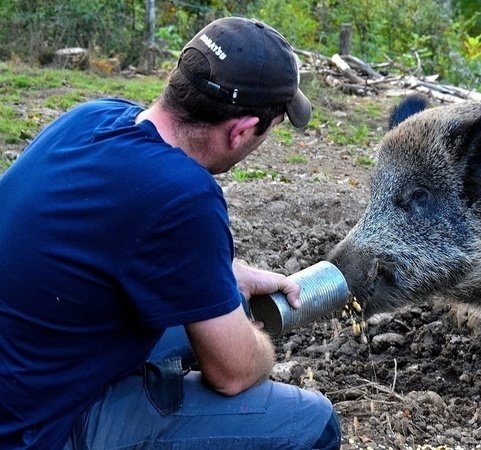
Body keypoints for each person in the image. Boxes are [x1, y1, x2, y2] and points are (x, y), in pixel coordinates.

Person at [0, 17, 340, 449]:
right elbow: (232, 374)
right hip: (32, 429)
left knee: (224, 304)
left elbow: (105, 241)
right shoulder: (184, 195)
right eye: (267, 131)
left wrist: (223, 274)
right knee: (311, 424)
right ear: (239, 132)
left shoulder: (92, 118)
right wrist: (258, 345)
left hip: (21, 370)